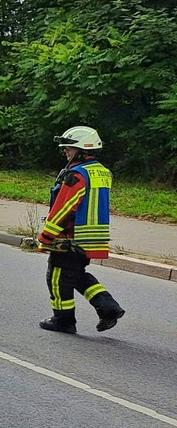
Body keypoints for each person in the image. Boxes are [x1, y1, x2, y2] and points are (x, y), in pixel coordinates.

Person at [36, 126, 127, 334]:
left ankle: (63, 320)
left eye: (69, 148)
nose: (66, 152)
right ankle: (109, 309)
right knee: (75, 274)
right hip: (92, 237)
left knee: (57, 277)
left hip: (70, 237)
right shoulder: (102, 172)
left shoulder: (76, 175)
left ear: (81, 149)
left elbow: (65, 207)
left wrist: (46, 235)